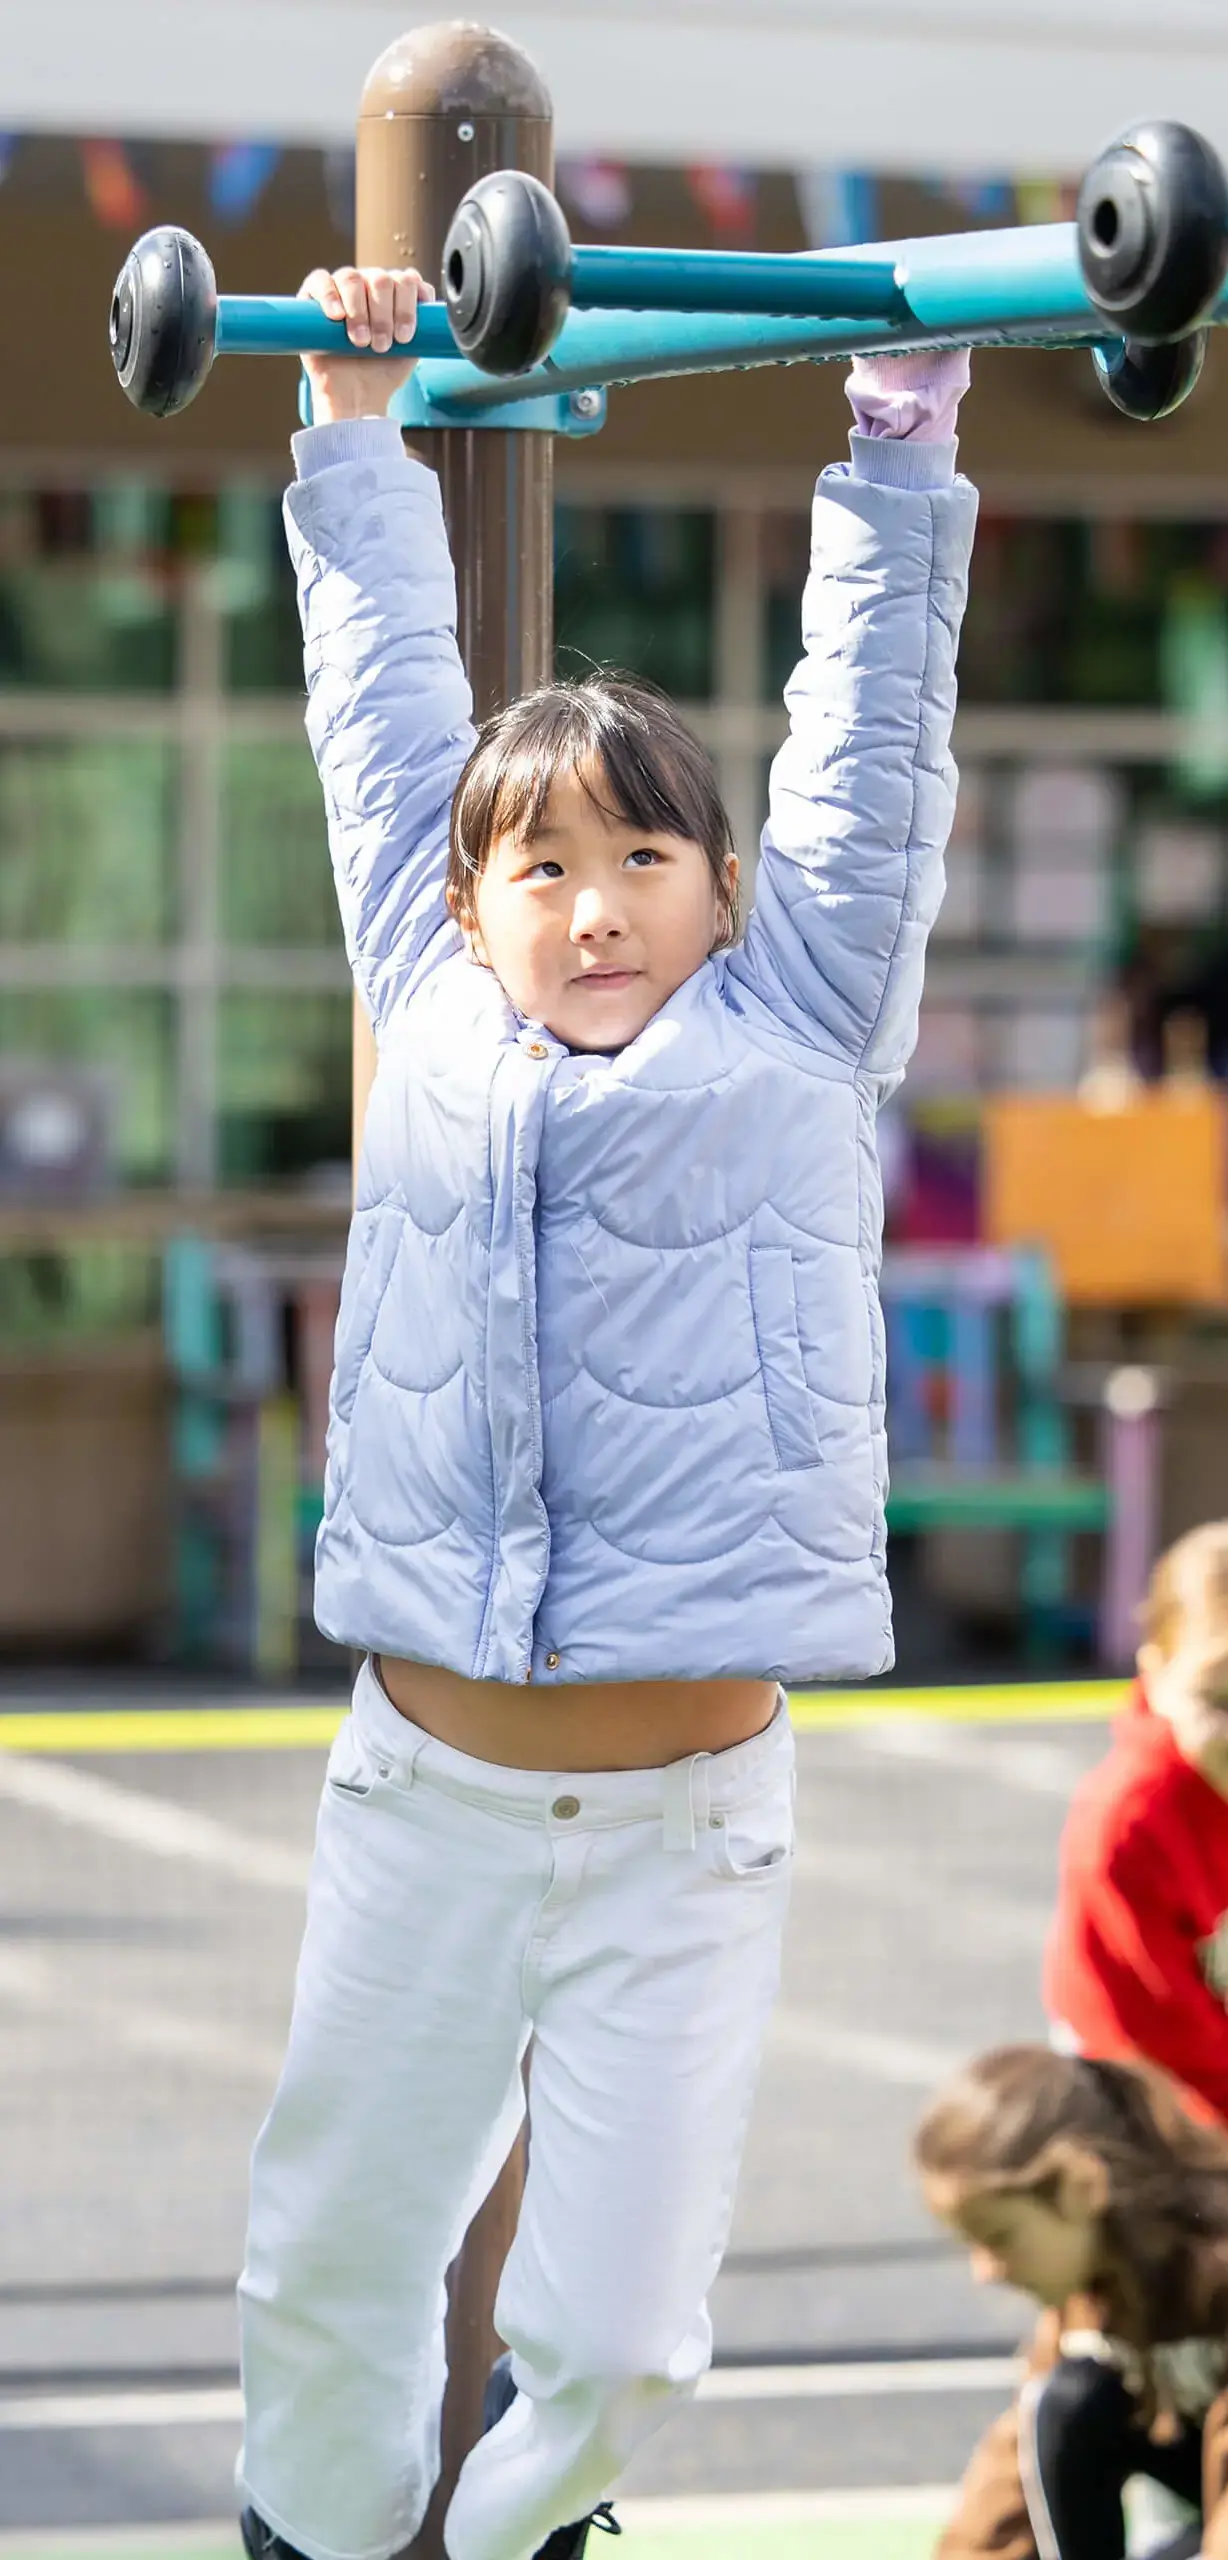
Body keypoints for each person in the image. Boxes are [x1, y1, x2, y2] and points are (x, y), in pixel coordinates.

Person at [235, 258, 977, 2560]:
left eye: (641, 853)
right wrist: (350, 423)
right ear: (468, 902)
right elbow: (382, 704)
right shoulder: (419, 988)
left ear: (719, 885)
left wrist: (897, 442)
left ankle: (514, 2534)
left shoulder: (799, 1017)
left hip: (684, 1832)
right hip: (427, 1790)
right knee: (332, 2284)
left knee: (630, 2333)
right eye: (538, 861)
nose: (589, 902)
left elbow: (857, 751)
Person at [915, 2043, 1228, 2560]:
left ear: (1082, 2184)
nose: (985, 2271)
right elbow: (1014, 2480)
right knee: (1068, 2402)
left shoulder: (1214, 2270)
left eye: (1000, 2237)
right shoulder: (1093, 2298)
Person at [1045, 1521, 1228, 2129]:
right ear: (1156, 1665)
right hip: (1136, 2098)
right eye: (1218, 1700)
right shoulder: (1127, 1824)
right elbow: (1161, 2032)